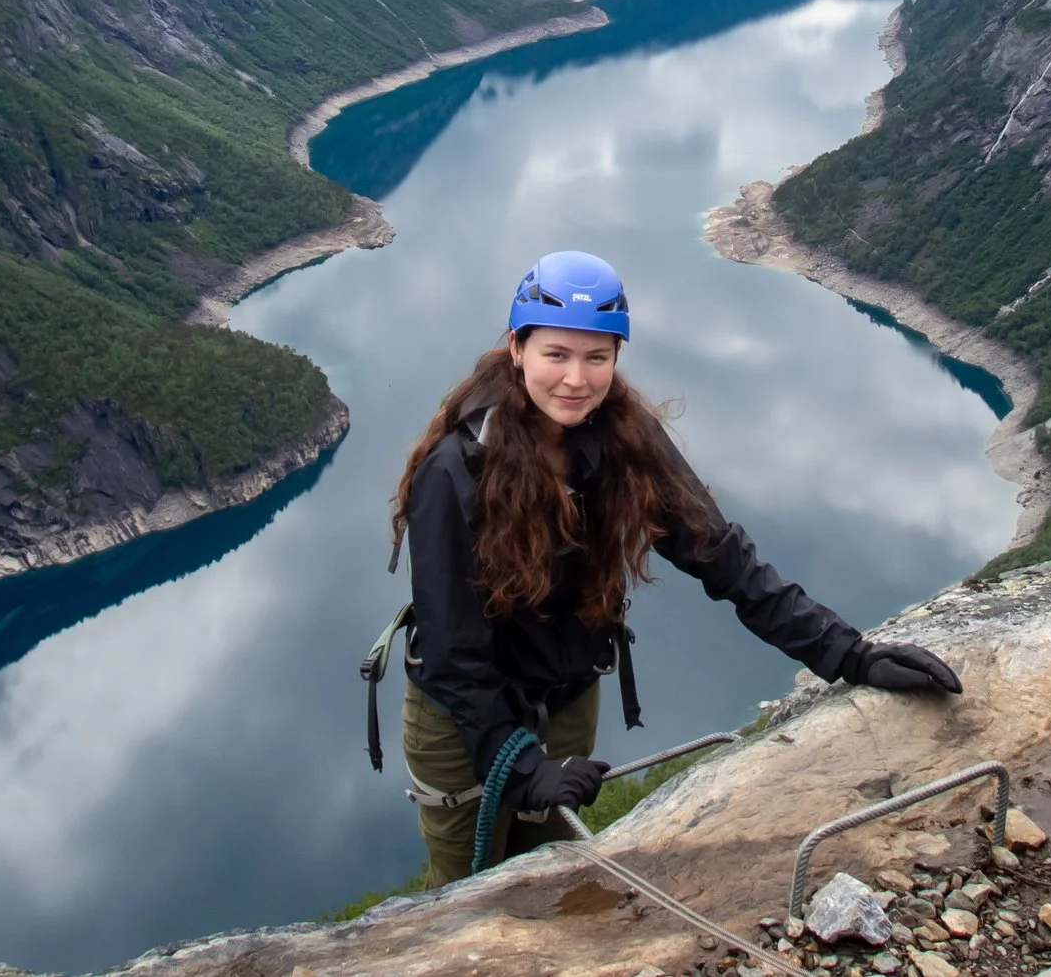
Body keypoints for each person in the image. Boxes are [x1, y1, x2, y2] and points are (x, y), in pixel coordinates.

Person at [388, 249, 962, 881]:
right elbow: (453, 647)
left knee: (549, 871)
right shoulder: (457, 468)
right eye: (557, 354)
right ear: (517, 347)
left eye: (597, 357)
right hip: (458, 718)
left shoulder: (621, 438)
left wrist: (850, 655)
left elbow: (722, 557)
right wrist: (519, 766)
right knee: (468, 890)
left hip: (567, 697)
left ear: (616, 357)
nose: (576, 379)